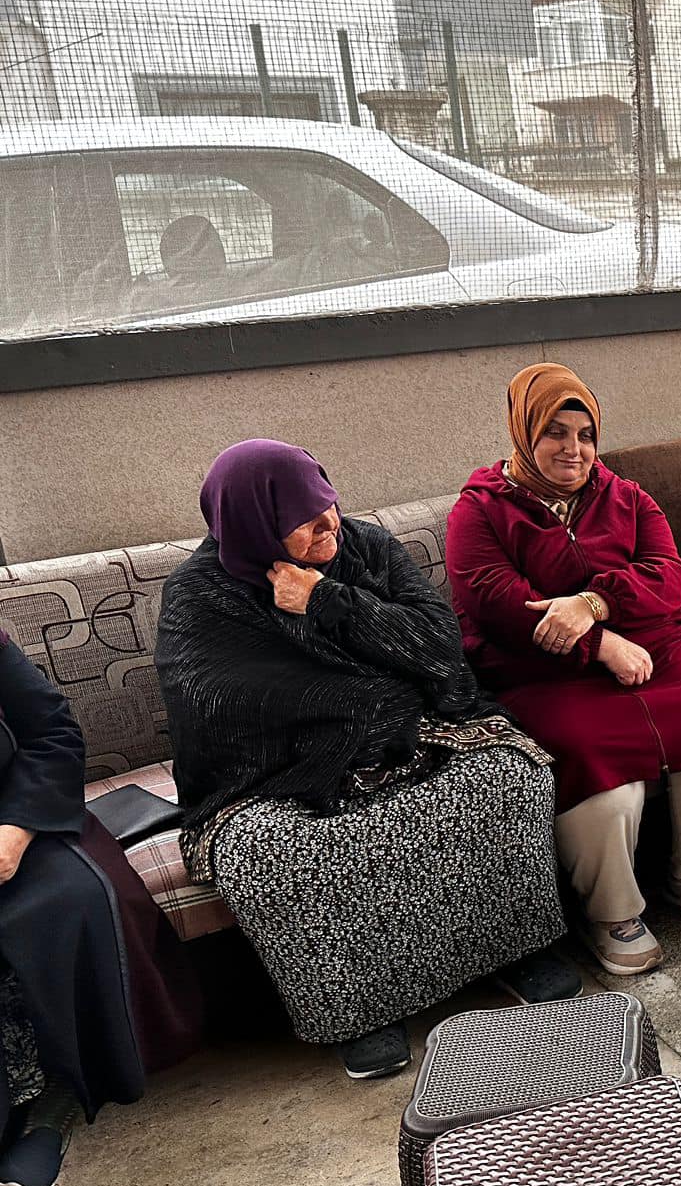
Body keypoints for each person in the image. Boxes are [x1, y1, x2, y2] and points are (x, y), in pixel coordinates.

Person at [156, 440, 577, 1081]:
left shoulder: (366, 547)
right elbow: (225, 700)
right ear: (252, 526)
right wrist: (372, 692)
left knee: (505, 776)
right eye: (305, 518)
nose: (329, 524)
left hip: (407, 732)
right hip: (276, 770)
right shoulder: (200, 595)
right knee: (273, 851)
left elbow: (440, 644)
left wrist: (331, 602)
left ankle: (513, 949)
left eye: (328, 504)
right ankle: (360, 1010)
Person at [447, 364, 681, 977]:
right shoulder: (479, 510)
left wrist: (595, 604)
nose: (575, 449)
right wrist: (600, 646)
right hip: (539, 667)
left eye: (586, 434)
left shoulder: (627, 496)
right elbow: (497, 603)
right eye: (556, 433)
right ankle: (610, 911)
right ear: (523, 433)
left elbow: (668, 574)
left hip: (653, 645)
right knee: (594, 760)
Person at [0, 632, 199, 1186]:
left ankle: (56, 1097)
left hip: (21, 820)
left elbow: (51, 732)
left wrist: (15, 832)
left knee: (70, 902)